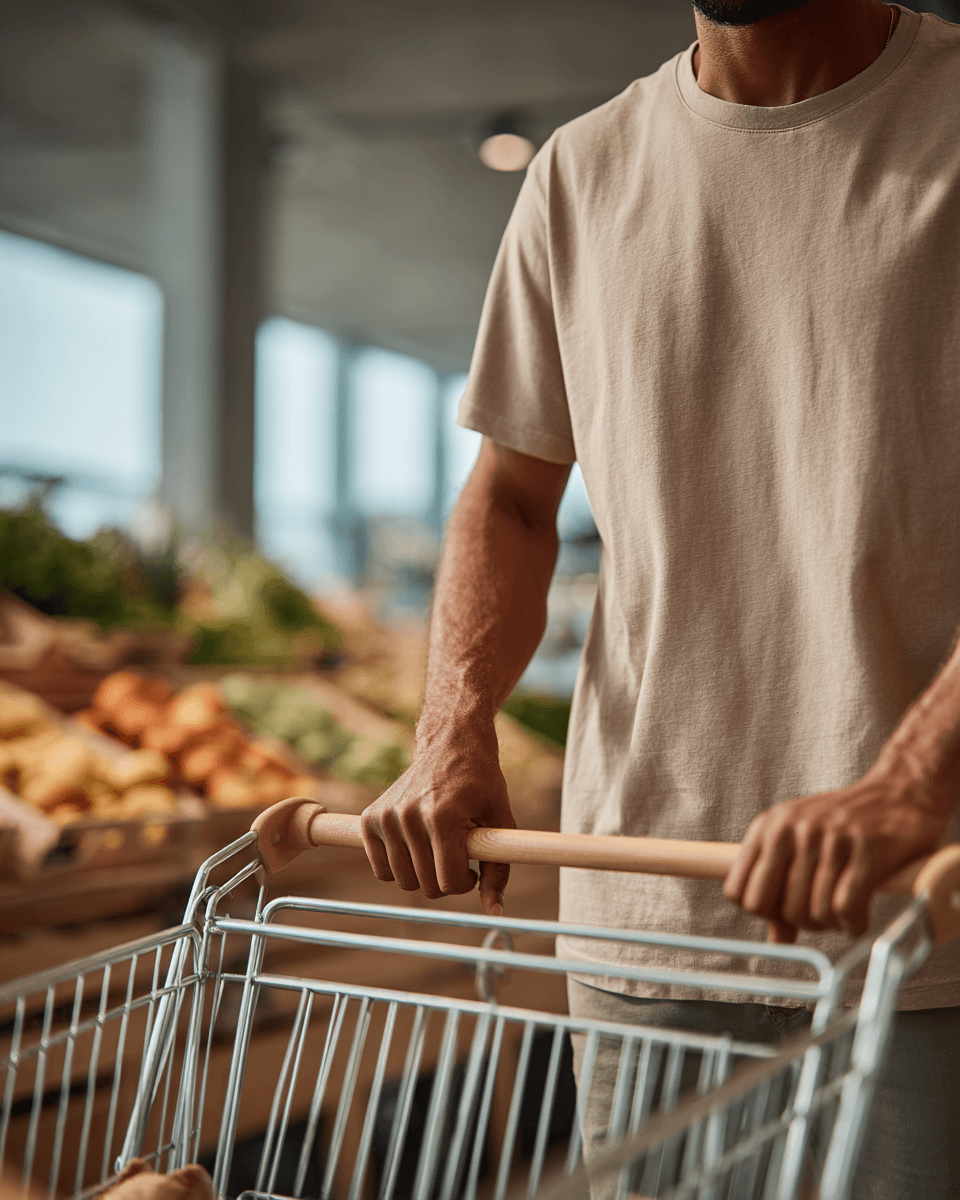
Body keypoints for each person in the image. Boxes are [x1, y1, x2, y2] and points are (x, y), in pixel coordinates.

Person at [359, 1, 960, 1195]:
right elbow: (511, 497)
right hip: (639, 920)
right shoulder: (580, 173)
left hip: (924, 933)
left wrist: (910, 783)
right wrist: (452, 724)